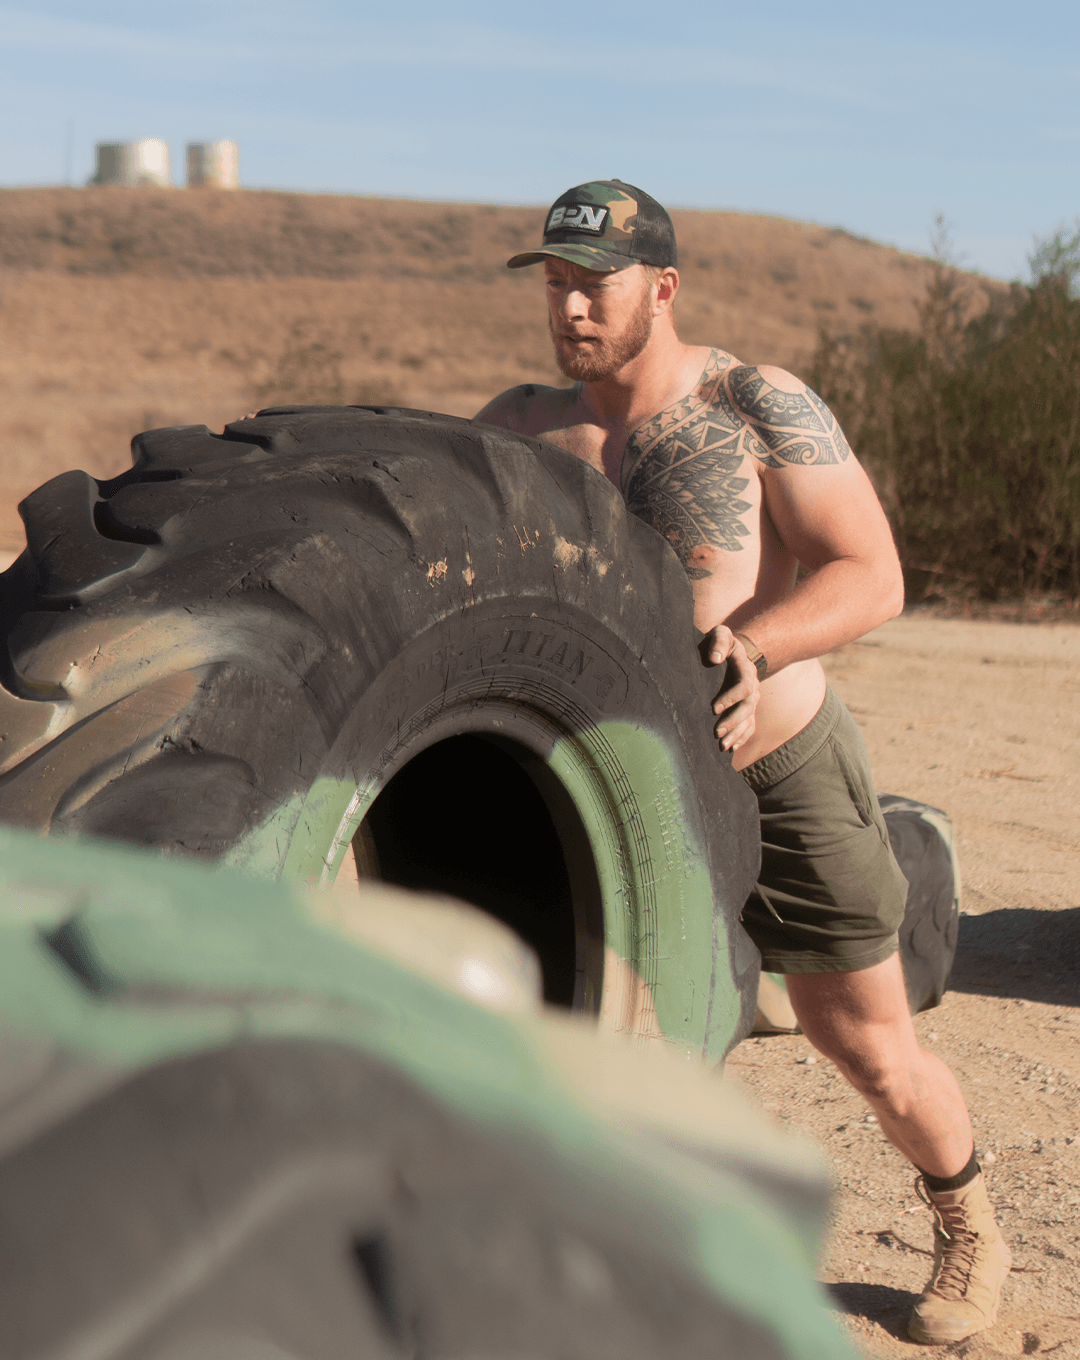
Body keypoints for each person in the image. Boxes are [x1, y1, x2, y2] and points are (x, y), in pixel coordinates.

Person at [475, 179, 1009, 1346]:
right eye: (555, 284)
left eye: (594, 285)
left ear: (661, 287)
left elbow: (872, 575)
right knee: (586, 1031)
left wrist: (758, 642)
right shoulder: (520, 427)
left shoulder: (755, 404)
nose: (569, 309)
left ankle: (968, 1219)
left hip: (776, 759)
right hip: (617, 791)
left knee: (864, 1042)